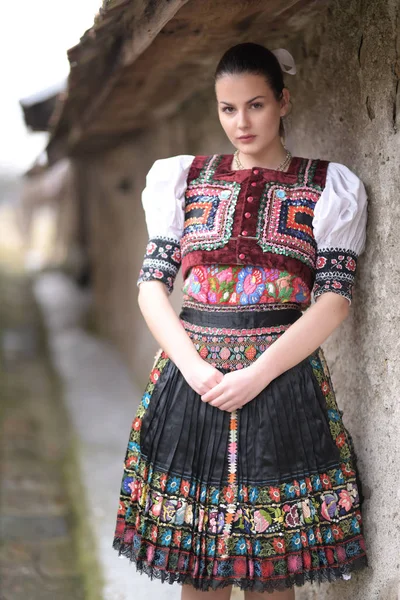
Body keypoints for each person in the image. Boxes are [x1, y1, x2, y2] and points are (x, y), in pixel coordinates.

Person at [113, 42, 368, 599]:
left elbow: (334, 300)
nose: (241, 122)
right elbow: (151, 287)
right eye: (228, 108)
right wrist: (193, 366)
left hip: (281, 385)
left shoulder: (328, 186)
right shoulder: (184, 181)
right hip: (190, 385)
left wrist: (257, 374)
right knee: (199, 572)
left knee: (270, 572)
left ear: (283, 101)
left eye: (255, 105)